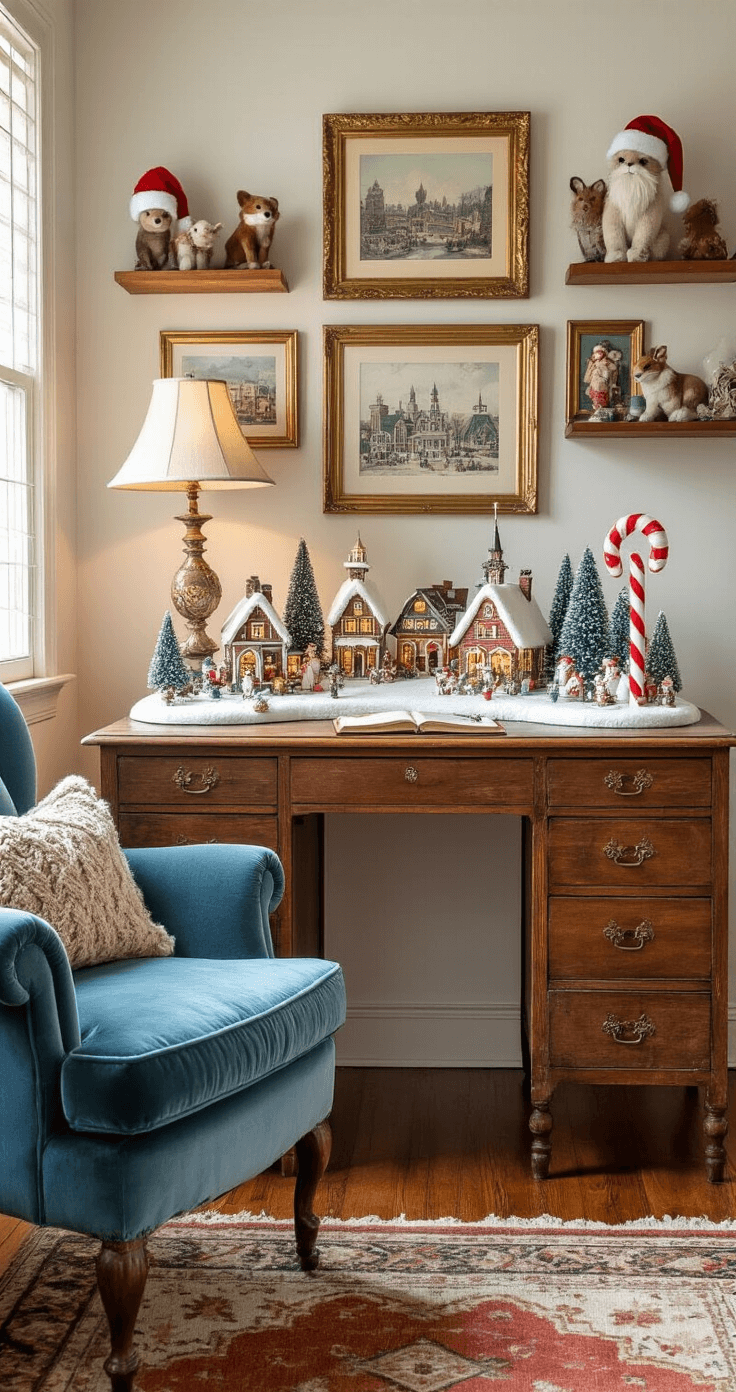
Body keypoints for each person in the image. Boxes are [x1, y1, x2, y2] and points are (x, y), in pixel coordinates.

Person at [583, 342, 622, 420]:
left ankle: (601, 410)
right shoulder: (593, 363)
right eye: (597, 353)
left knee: (602, 397)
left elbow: (614, 368)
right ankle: (596, 409)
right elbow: (589, 375)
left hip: (603, 384)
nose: (599, 354)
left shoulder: (607, 362)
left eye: (601, 353)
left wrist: (607, 364)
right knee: (595, 397)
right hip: (594, 383)